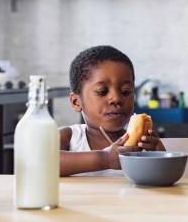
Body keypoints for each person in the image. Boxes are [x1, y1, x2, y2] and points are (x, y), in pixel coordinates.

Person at [59, 45, 164, 177]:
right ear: (76, 102)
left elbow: (166, 183)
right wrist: (105, 158)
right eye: (102, 92)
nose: (116, 99)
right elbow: (43, 162)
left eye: (125, 91)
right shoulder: (69, 137)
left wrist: (159, 155)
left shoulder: (142, 144)